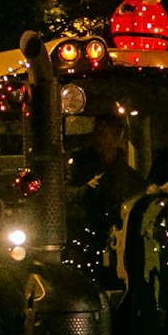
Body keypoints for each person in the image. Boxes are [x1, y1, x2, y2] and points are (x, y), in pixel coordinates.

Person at [69, 112, 139, 280]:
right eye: (96, 132)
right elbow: (68, 194)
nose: (97, 138)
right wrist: (86, 189)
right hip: (85, 237)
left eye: (103, 133)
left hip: (117, 239)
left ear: (117, 138)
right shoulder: (81, 164)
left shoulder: (126, 173)